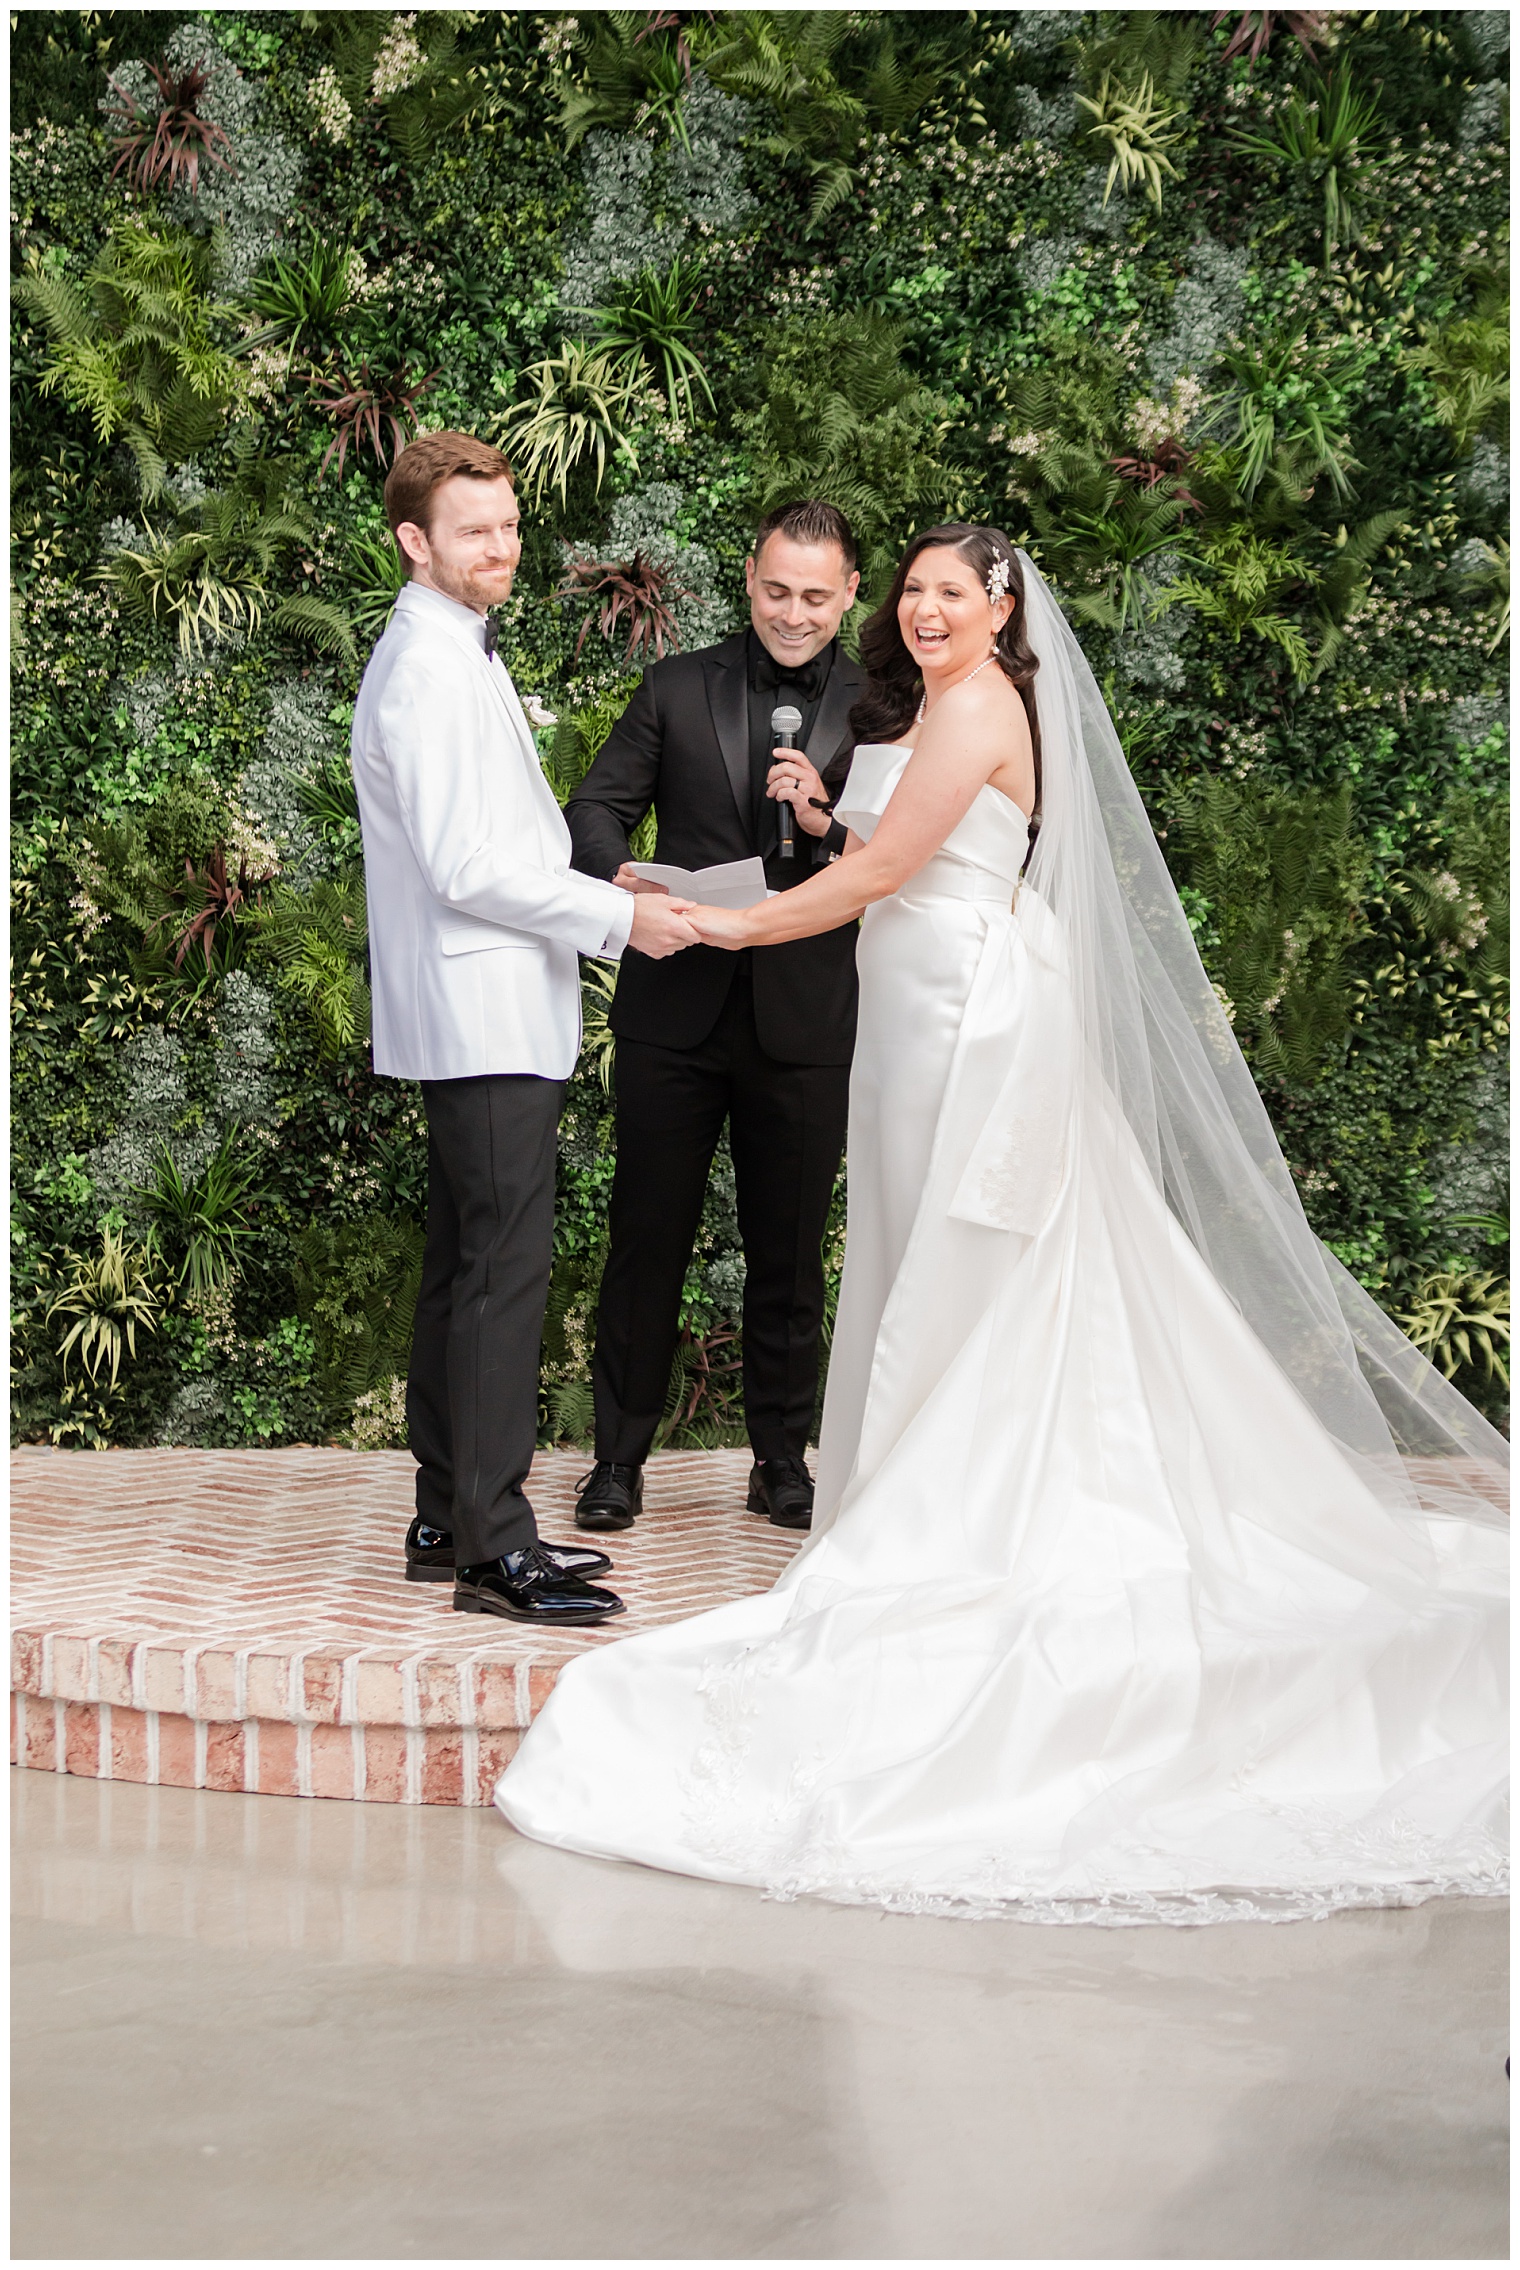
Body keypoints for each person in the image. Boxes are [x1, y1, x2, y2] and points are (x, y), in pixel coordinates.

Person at [495, 526, 1508, 1923]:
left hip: (964, 1011)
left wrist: (721, 924)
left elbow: (877, 883)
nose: (921, 610)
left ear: (1001, 607)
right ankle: (911, 1475)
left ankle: (968, 1500)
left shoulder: (978, 703)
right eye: (911, 590)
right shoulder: (923, 708)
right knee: (915, 1240)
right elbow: (885, 849)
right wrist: (819, 818)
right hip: (909, 1009)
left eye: (947, 592)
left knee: (972, 1252)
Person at [350, 431, 698, 1626]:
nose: (501, 547)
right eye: (473, 530)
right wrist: (614, 918)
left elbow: (500, 833)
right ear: (414, 540)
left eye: (506, 524)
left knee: (464, 1270)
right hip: (483, 1007)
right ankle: (493, 1549)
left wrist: (619, 881)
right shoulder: (429, 669)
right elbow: (460, 863)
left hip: (478, 1007)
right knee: (500, 1276)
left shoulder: (448, 650)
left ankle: (446, 1510)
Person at [564, 500, 864, 1536]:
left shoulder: (883, 707)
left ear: (849, 594)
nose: (792, 613)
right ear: (748, 578)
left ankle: (781, 1459)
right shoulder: (674, 685)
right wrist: (619, 881)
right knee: (645, 1238)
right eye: (776, 590)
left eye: (814, 596)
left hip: (808, 1016)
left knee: (787, 1250)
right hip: (674, 1010)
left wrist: (831, 826)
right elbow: (596, 804)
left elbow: (906, 850)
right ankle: (615, 1459)